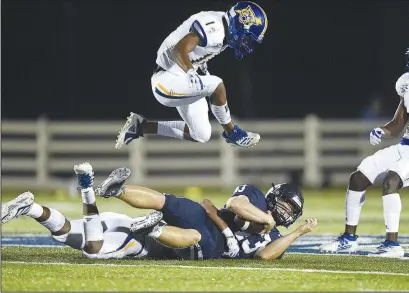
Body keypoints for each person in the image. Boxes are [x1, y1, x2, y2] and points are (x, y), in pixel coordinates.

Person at [319, 30, 409, 258]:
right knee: (358, 177)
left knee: (391, 180)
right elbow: (397, 123)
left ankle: (392, 245)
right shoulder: (406, 82)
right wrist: (382, 131)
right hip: (405, 145)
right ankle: (349, 239)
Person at [115, 1, 267, 150]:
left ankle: (140, 127)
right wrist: (190, 70)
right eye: (247, 37)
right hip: (165, 79)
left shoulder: (223, 27)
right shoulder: (216, 30)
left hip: (181, 76)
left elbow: (195, 49)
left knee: (202, 134)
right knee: (216, 85)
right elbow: (178, 49)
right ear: (240, 24)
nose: (246, 43)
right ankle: (232, 132)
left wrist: (197, 65)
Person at [95, 168, 318, 260]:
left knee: (195, 236)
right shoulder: (257, 198)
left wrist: (298, 232)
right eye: (286, 204)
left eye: (292, 210)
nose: (287, 212)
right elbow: (235, 204)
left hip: (216, 246)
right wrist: (264, 218)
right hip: (210, 221)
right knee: (168, 201)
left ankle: (153, 229)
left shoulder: (278, 238)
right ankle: (116, 190)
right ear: (274, 196)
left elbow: (264, 256)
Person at [1, 163, 201, 260]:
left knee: (65, 233)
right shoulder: (203, 241)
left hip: (120, 222)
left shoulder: (198, 221)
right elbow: (191, 240)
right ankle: (86, 188)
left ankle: (31, 208)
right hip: (134, 239)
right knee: (93, 252)